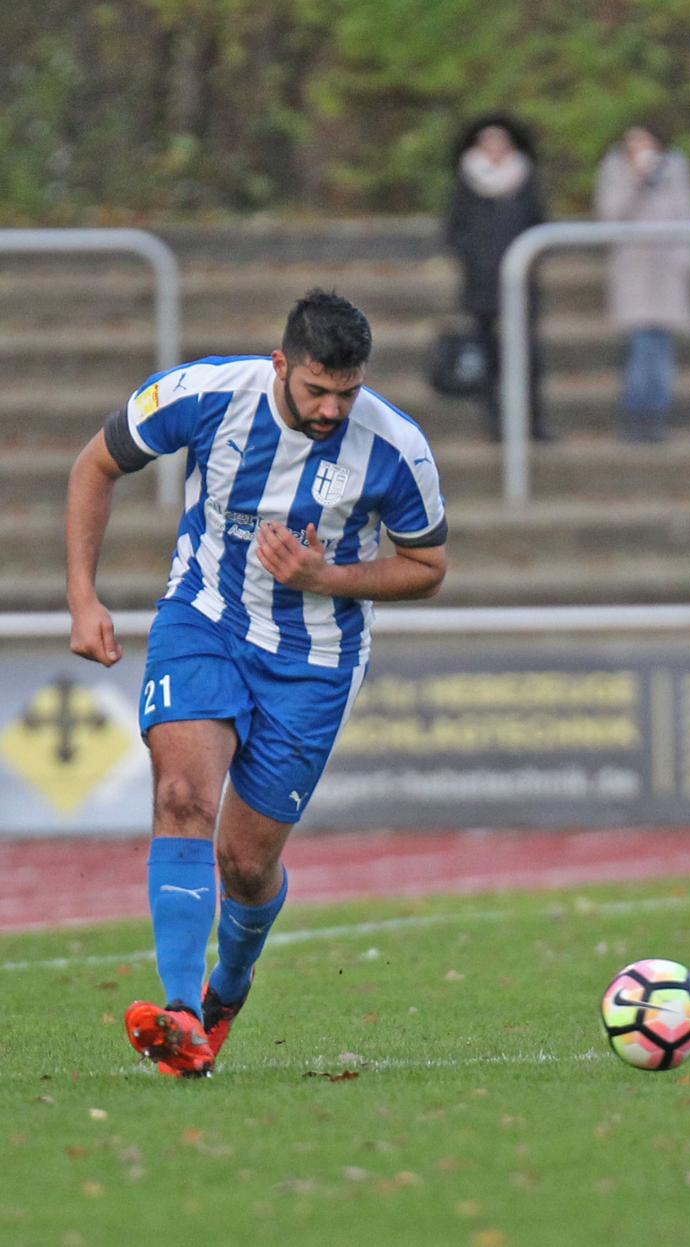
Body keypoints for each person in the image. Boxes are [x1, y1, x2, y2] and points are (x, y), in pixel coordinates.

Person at [65, 290, 448, 1076]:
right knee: (182, 797)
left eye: (347, 392)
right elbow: (95, 464)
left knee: (244, 861)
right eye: (317, 389)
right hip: (204, 619)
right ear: (281, 364)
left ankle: (225, 992)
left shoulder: (395, 448)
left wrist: (326, 575)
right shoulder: (206, 395)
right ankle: (179, 1012)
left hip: (315, 659)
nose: (331, 408)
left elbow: (428, 566)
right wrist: (82, 597)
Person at [443, 114, 552, 441]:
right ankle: (494, 421)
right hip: (481, 285)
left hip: (522, 283)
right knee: (487, 354)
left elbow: (539, 223)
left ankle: (532, 421)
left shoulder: (525, 179)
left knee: (528, 355)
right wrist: (475, 260)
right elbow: (455, 230)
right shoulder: (467, 181)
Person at [593, 123, 690, 442]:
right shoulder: (616, 170)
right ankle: (635, 414)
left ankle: (657, 416)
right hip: (633, 269)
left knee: (662, 346)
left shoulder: (675, 168)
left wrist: (686, 259)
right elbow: (610, 213)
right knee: (640, 344)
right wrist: (636, 180)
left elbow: (687, 212)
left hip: (668, 268)